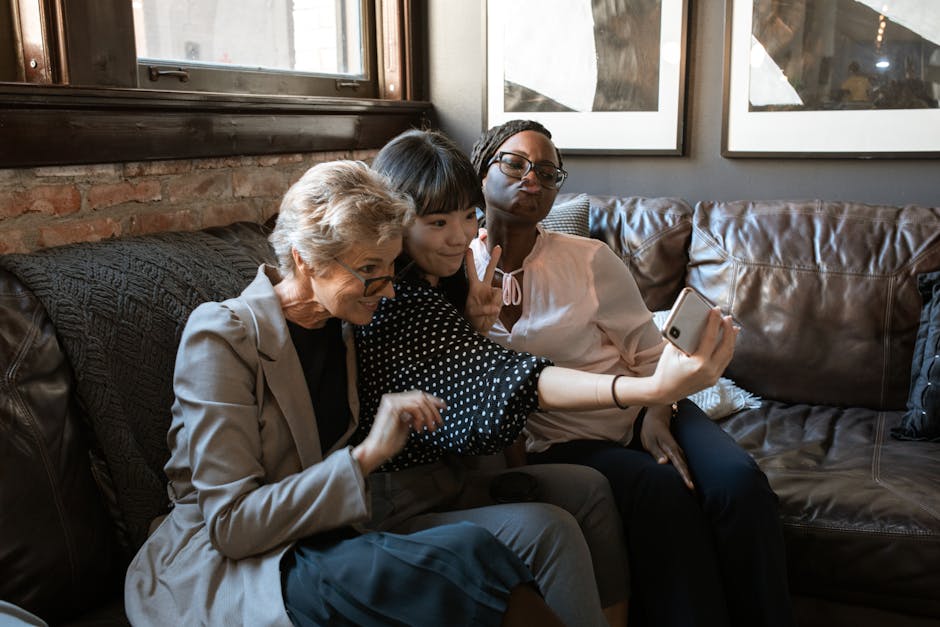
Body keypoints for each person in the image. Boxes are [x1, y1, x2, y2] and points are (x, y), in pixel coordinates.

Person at [123, 160, 567, 627]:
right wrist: (367, 455)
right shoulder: (223, 335)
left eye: (390, 267)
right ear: (305, 259)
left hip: (321, 537)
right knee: (468, 552)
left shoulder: (347, 328)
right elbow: (231, 524)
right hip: (233, 565)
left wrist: (471, 327)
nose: (388, 291)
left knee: (493, 549)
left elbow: (450, 371)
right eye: (370, 269)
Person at [354, 128, 736, 626]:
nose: (459, 234)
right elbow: (509, 380)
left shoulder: (458, 277)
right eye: (438, 222)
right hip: (410, 490)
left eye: (466, 217)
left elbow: (470, 374)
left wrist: (656, 406)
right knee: (567, 520)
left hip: (468, 468)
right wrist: (649, 389)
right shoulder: (400, 299)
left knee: (667, 486)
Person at [467, 119, 793, 627]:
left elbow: (649, 355)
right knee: (662, 490)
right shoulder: (453, 268)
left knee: (739, 485)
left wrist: (657, 414)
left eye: (548, 173)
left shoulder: (590, 260)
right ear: (481, 171)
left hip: (648, 405)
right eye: (515, 163)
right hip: (563, 440)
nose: (532, 178)